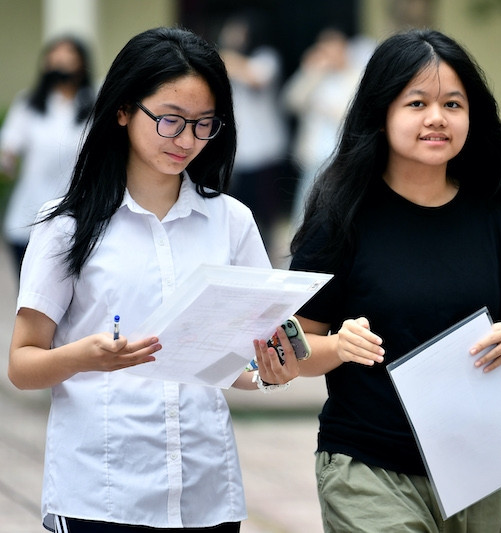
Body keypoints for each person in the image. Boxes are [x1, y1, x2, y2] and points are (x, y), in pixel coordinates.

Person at [7, 27, 299, 532]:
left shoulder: (231, 222)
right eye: (170, 120)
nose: (186, 140)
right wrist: (85, 356)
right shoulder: (66, 226)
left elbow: (232, 362)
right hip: (100, 490)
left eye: (204, 124)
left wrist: (268, 374)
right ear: (123, 109)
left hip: (205, 492)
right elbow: (22, 364)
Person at [289, 29, 501, 532]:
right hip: (370, 467)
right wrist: (339, 347)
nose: (437, 117)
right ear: (382, 112)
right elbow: (293, 344)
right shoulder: (341, 215)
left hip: (483, 464)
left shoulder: (500, 216)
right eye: (417, 103)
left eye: (452, 104)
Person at [0, 35, 95, 275]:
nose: (61, 62)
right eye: (55, 57)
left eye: (69, 56)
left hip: (77, 217)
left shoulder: (92, 104)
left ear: (82, 63)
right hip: (28, 218)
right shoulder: (28, 104)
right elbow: (8, 149)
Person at [217, 12, 290, 256]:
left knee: (268, 204)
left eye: (237, 31)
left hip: (265, 147)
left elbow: (255, 78)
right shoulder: (227, 62)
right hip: (240, 149)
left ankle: (271, 250)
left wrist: (225, 56)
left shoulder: (266, 57)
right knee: (241, 204)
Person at [282, 27, 365, 227]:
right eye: (324, 49)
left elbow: (360, 116)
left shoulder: (357, 76)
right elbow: (290, 101)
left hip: (344, 157)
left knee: (344, 213)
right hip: (315, 157)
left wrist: (331, 110)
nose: (329, 54)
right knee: (305, 215)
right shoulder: (316, 76)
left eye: (333, 48)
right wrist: (310, 73)